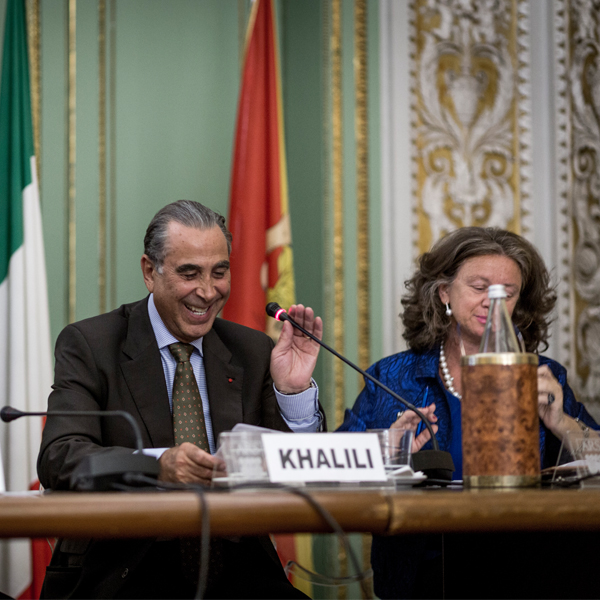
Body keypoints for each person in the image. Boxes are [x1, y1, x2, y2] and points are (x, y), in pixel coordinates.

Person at [37, 200, 323, 599]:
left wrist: (291, 393)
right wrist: (158, 465)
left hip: (240, 575)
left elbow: (299, 470)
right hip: (128, 572)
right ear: (149, 272)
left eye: (219, 272)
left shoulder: (253, 351)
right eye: (189, 273)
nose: (207, 292)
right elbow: (60, 456)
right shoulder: (92, 345)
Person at [338, 227, 600, 599]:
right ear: (444, 292)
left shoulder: (543, 374)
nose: (492, 302)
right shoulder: (395, 377)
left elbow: (597, 459)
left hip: (528, 560)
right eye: (480, 288)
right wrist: (389, 448)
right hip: (426, 568)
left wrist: (562, 423)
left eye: (506, 293)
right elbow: (333, 462)